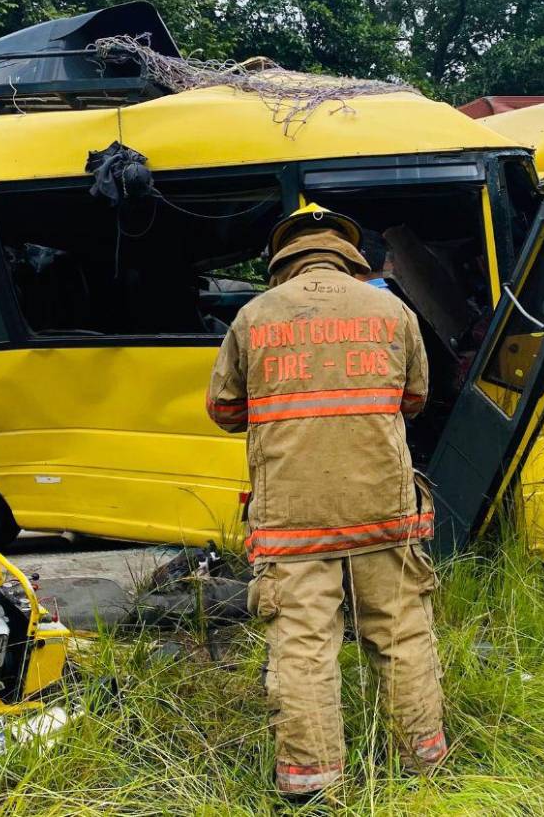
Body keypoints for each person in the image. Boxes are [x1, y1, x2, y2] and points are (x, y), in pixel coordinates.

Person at [206, 202, 446, 798]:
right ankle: (423, 762)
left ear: (280, 259)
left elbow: (224, 411)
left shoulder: (252, 317)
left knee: (303, 645)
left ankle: (312, 782)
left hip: (292, 518)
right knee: (400, 632)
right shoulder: (393, 311)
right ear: (350, 253)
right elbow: (414, 399)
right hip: (383, 510)